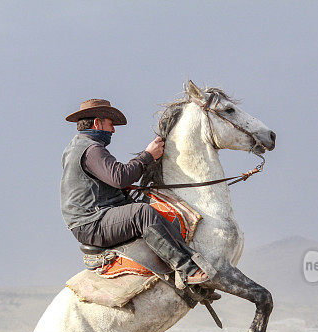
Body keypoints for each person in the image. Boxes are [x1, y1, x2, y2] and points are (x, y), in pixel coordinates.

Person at [61, 98, 208, 285]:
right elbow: (119, 177)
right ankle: (187, 269)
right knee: (142, 213)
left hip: (91, 219)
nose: (113, 130)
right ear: (97, 123)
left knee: (150, 206)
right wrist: (148, 155)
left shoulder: (78, 147)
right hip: (92, 223)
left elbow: (100, 183)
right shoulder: (91, 150)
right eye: (110, 124)